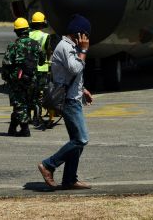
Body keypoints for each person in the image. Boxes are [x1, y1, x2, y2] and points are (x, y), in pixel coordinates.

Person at [38, 14, 94, 190]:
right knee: (81, 139)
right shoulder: (66, 47)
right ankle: (48, 165)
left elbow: (71, 74)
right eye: (85, 35)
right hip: (69, 100)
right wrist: (84, 50)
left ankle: (70, 179)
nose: (86, 39)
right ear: (78, 34)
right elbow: (75, 67)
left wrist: (82, 89)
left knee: (76, 141)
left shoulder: (70, 46)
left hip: (73, 96)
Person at [1, 18, 44, 137]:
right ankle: (12, 128)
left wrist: (6, 78)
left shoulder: (13, 46)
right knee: (23, 104)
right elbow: (41, 61)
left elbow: (6, 64)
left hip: (17, 81)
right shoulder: (36, 44)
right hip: (32, 80)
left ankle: (25, 129)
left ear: (16, 31)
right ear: (27, 30)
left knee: (19, 104)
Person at [28, 12, 54, 127]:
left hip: (29, 69)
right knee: (39, 94)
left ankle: (27, 116)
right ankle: (36, 117)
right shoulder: (45, 36)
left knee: (29, 93)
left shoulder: (27, 35)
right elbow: (48, 51)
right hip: (42, 69)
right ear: (43, 23)